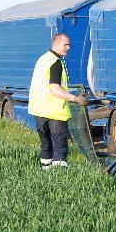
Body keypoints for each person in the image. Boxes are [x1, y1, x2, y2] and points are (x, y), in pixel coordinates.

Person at [28, 33, 87, 169]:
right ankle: (60, 180)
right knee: (59, 148)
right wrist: (76, 98)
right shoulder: (56, 62)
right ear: (56, 44)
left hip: (39, 111)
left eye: (69, 44)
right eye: (65, 44)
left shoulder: (43, 59)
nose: (68, 48)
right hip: (54, 113)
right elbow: (54, 89)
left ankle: (45, 175)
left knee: (46, 146)